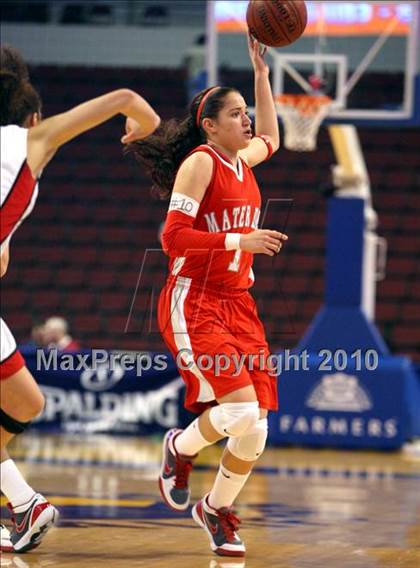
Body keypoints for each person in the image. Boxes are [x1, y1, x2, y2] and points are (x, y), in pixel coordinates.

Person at [0, 44, 160, 553]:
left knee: (26, 401)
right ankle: (25, 504)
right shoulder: (33, 139)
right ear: (33, 117)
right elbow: (125, 97)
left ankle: (24, 505)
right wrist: (147, 122)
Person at [130, 35, 286, 557]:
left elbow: (272, 136)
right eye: (236, 113)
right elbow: (172, 239)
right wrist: (240, 239)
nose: (247, 122)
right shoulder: (201, 163)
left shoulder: (246, 161)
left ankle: (215, 510)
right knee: (239, 414)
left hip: (239, 302)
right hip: (195, 299)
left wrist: (261, 76)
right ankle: (179, 447)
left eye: (246, 113)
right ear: (211, 125)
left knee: (256, 429)